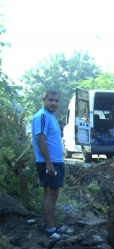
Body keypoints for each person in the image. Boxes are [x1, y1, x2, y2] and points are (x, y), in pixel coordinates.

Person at [31, 89, 65, 238]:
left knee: (50, 195)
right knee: (52, 195)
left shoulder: (50, 116)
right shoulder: (42, 116)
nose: (54, 103)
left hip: (54, 161)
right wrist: (49, 163)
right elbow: (40, 140)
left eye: (56, 100)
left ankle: (51, 227)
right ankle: (51, 229)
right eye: (51, 100)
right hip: (50, 162)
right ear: (44, 100)